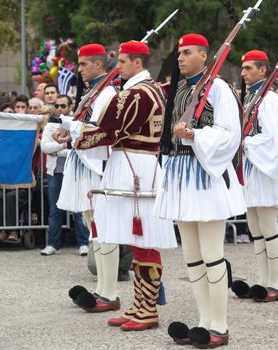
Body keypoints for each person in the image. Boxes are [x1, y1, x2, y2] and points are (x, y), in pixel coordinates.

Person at [60, 40, 177, 331]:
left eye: (123, 62)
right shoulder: (146, 90)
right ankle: (140, 305)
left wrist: (76, 131)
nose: (118, 67)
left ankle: (147, 310)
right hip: (133, 163)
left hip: (133, 167)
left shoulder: (136, 93)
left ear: (137, 63)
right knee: (137, 242)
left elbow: (108, 132)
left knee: (144, 240)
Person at [153, 34, 245, 347]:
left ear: (204, 56)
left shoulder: (217, 88)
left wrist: (193, 134)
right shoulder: (180, 89)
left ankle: (220, 325)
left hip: (205, 173)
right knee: (191, 254)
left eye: (187, 52)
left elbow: (230, 133)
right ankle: (204, 321)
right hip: (180, 172)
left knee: (211, 253)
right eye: (179, 53)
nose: (180, 58)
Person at [54, 43, 123, 311]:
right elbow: (85, 125)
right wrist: (69, 133)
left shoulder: (106, 93)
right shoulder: (93, 92)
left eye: (83, 64)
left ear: (97, 64)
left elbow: (103, 131)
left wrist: (73, 129)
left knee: (103, 229)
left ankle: (109, 291)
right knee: (95, 228)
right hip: (85, 161)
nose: (78, 69)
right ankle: (103, 289)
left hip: (97, 166)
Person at [231, 50, 278, 303]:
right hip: (252, 169)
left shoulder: (269, 99)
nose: (244, 73)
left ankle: (275, 283)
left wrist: (246, 144)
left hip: (266, 169)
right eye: (243, 69)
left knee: (268, 226)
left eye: (249, 68)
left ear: (263, 71)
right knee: (255, 228)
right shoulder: (252, 98)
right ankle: (263, 280)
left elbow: (275, 137)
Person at [40, 94, 90, 256]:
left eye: (63, 106)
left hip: (73, 173)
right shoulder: (50, 125)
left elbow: (79, 149)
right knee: (54, 210)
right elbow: (45, 148)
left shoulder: (76, 125)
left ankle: (83, 243)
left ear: (70, 107)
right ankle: (53, 244)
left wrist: (59, 149)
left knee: (78, 208)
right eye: (57, 106)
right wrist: (65, 148)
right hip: (54, 173)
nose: (60, 109)